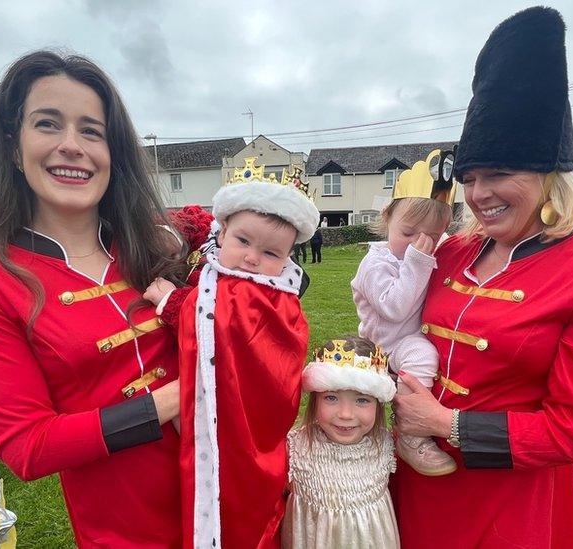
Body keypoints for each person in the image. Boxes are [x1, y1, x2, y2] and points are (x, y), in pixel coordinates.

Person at [390, 8, 573, 548]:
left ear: (549, 177)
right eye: (471, 178)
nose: (480, 194)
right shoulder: (454, 250)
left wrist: (444, 424)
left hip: (506, 502)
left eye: (500, 174)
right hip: (412, 482)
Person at [0, 50, 185, 547]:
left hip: (229, 488)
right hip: (127, 523)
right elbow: (28, 446)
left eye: (91, 131)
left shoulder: (150, 246)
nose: (72, 146)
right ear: (12, 146)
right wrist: (178, 398)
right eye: (48, 124)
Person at [144, 157, 319, 548]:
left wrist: (172, 303)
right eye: (243, 241)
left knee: (239, 499)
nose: (253, 258)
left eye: (272, 253)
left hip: (245, 424)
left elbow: (225, 321)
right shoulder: (212, 268)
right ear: (221, 234)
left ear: (288, 258)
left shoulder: (274, 296)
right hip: (189, 408)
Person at [352, 150, 456, 476]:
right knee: (422, 358)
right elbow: (394, 308)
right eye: (408, 233)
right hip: (385, 343)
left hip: (410, 336)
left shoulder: (427, 249)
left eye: (431, 236)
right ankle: (412, 432)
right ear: (387, 219)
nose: (418, 244)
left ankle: (403, 432)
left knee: (423, 355)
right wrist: (418, 262)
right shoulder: (376, 263)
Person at [282, 336, 399, 548]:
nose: (345, 414)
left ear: (378, 405)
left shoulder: (386, 445)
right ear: (316, 399)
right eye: (332, 398)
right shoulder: (294, 449)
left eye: (362, 400)